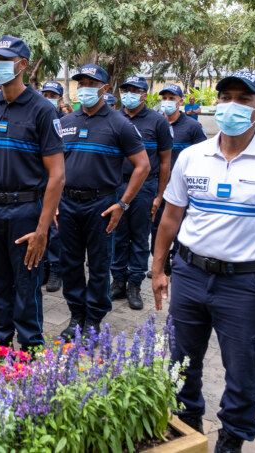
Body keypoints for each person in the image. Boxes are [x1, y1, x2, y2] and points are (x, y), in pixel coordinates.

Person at [152, 70, 255, 453]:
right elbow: (171, 216)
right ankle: (187, 429)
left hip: (244, 285)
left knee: (244, 372)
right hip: (190, 274)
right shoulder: (193, 157)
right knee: (180, 363)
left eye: (243, 100)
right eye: (225, 96)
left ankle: (231, 441)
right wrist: (159, 268)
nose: (231, 105)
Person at [0, 35, 65, 351]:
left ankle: (29, 349)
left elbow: (57, 174)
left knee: (26, 284)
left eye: (4, 60)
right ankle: (0, 343)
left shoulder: (41, 110)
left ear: (22, 65)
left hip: (25, 211)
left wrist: (42, 229)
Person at [58, 64, 150, 339]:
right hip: (67, 204)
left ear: (105, 89)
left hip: (101, 204)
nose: (84, 87)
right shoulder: (65, 123)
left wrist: (122, 203)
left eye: (90, 82)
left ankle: (94, 319)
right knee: (70, 264)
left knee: (98, 264)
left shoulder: (119, 123)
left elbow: (142, 166)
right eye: (80, 82)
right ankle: (76, 316)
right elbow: (52, 166)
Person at [109, 76, 172, 310]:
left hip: (145, 187)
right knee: (116, 234)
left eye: (135, 90)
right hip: (117, 185)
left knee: (139, 236)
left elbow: (165, 162)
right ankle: (118, 281)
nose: (129, 94)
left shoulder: (158, 122)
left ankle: (134, 283)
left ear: (145, 94)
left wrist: (159, 195)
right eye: (125, 90)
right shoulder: (113, 118)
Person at [148, 84, 206, 277]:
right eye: (164, 98)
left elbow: (203, 155)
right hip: (159, 186)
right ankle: (160, 264)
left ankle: (177, 263)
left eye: (171, 98)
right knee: (157, 226)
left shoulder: (192, 126)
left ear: (180, 101)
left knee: (180, 227)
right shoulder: (155, 123)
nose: (167, 102)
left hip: (183, 187)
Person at [39, 80, 67, 294]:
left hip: (58, 183)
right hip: (39, 183)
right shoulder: (39, 117)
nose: (48, 97)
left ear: (60, 99)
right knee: (41, 227)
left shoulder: (66, 122)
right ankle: (44, 267)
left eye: (52, 94)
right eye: (45, 93)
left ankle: (56, 268)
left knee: (56, 230)